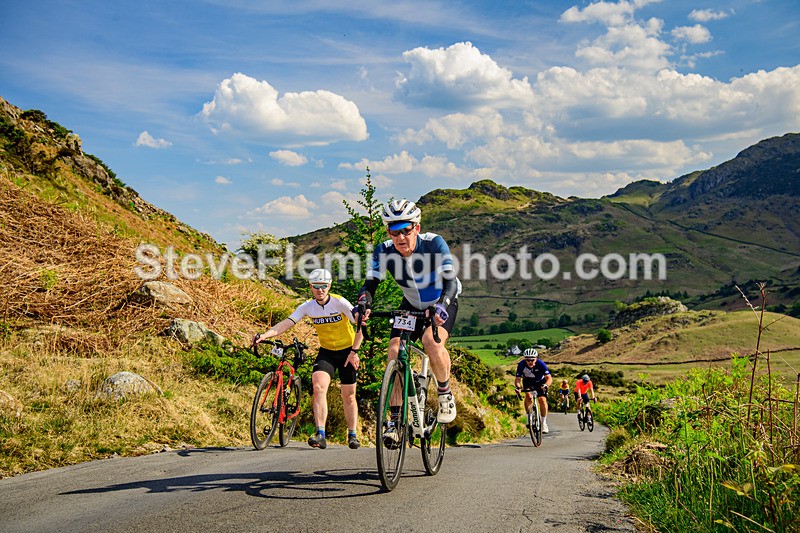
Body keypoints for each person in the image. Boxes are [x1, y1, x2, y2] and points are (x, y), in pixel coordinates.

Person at [355, 199, 461, 448]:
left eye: (406, 229)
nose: (401, 236)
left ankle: (445, 393)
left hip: (441, 300)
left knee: (430, 342)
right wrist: (362, 303)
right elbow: (370, 285)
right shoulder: (383, 250)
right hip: (411, 304)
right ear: (387, 231)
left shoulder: (433, 243)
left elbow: (451, 282)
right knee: (395, 352)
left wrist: (442, 305)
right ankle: (394, 421)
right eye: (394, 230)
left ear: (417, 226)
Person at [254, 268, 364, 450]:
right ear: (310, 287)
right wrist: (265, 335)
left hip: (347, 352)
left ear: (329, 286)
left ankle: (352, 434)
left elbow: (360, 325)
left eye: (323, 286)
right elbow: (287, 323)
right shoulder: (307, 306)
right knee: (318, 386)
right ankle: (320, 433)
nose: (320, 290)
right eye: (316, 286)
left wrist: (355, 351)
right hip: (327, 352)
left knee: (349, 396)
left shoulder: (339, 302)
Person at [514, 348, 553, 433]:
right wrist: (518, 387)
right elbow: (517, 379)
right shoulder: (521, 365)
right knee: (528, 396)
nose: (530, 362)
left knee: (542, 400)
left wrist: (546, 385)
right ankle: (529, 417)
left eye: (532, 360)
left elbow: (549, 378)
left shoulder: (540, 364)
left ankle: (544, 423)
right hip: (528, 382)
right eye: (528, 360)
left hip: (540, 382)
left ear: (536, 359)